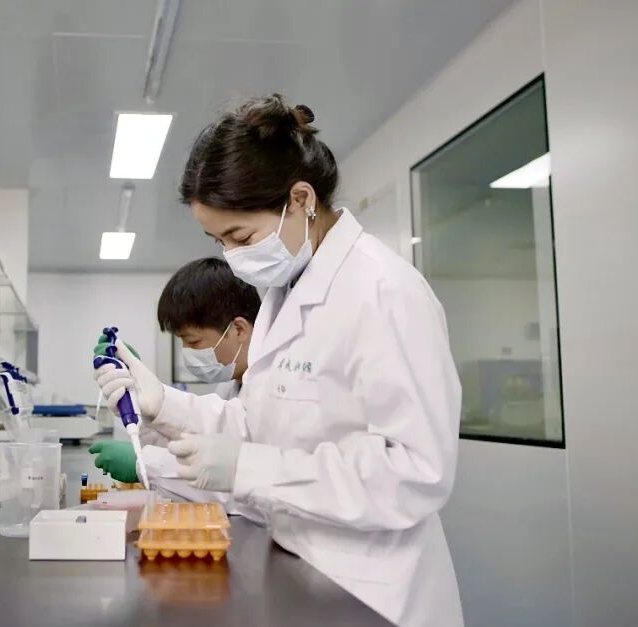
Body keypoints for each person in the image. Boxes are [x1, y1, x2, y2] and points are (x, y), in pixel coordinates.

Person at [93, 94, 462, 626]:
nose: (232, 256)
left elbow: (415, 473)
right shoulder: (283, 296)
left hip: (372, 588)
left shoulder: (383, 292)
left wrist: (249, 467)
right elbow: (257, 422)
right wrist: (164, 406)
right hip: (298, 568)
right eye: (218, 241)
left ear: (301, 199)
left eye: (239, 236)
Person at [89, 257, 264, 522]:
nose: (187, 353)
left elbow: (235, 480)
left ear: (239, 329)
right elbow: (196, 444)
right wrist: (141, 407)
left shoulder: (271, 384)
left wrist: (145, 463)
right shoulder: (229, 385)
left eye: (194, 342)